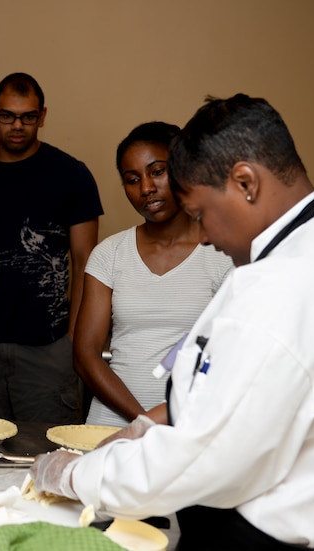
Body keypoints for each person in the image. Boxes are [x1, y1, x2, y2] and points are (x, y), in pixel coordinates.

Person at [30, 94, 314, 550]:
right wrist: (151, 422)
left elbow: (201, 460)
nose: (205, 236)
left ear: (246, 182)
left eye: (201, 214)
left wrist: (76, 475)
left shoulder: (276, 290)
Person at [0, 72, 103, 424]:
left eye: (28, 117)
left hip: (48, 347)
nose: (17, 126)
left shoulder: (72, 175)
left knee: (49, 447)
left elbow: (86, 263)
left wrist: (74, 340)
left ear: (42, 116)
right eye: (7, 116)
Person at [75, 122, 233, 427]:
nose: (146, 188)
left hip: (188, 425)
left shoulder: (222, 253)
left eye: (157, 171)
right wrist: (144, 422)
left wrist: (164, 422)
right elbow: (85, 355)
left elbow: (234, 356)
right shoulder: (110, 254)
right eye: (132, 179)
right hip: (110, 425)